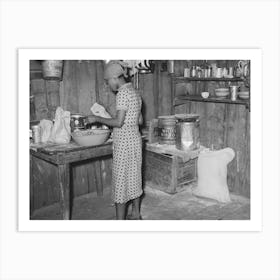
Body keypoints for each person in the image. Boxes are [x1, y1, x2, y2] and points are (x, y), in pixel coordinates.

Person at [87, 61, 143, 220]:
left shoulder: (122, 94)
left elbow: (119, 122)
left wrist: (97, 118)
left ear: (113, 78)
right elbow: (140, 120)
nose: (108, 85)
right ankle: (136, 214)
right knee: (134, 177)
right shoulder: (134, 92)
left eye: (107, 81)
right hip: (135, 140)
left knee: (120, 182)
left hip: (124, 143)